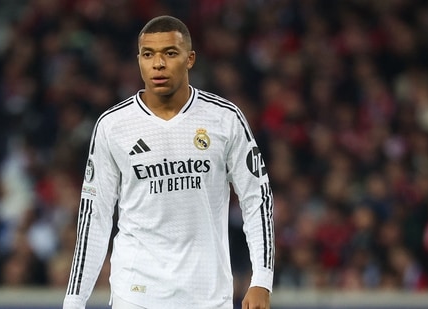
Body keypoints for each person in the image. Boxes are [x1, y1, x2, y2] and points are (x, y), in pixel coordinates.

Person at [63, 15, 274, 309]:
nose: (158, 64)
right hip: (136, 294)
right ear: (138, 60)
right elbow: (94, 216)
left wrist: (262, 279)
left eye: (170, 53)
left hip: (207, 295)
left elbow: (257, 199)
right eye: (148, 54)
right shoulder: (113, 126)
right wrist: (74, 300)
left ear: (190, 59)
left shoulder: (225, 119)